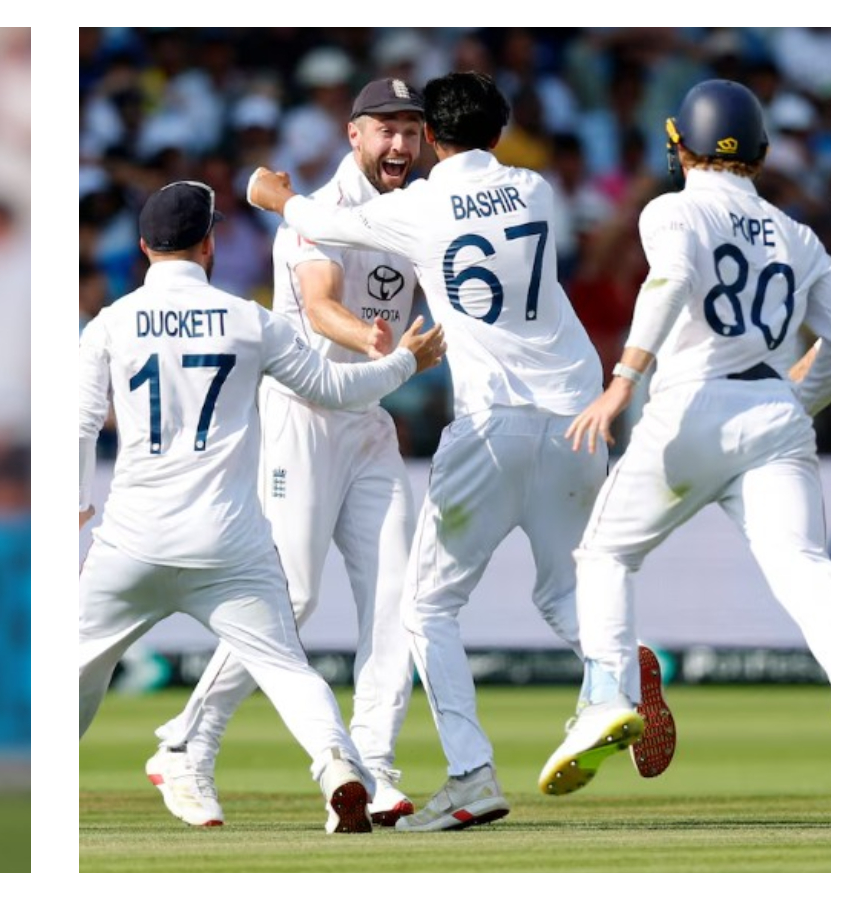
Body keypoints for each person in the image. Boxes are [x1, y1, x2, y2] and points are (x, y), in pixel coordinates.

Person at [246, 70, 671, 832]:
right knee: (566, 587)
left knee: (427, 606)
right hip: (577, 416)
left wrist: (275, 198)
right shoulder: (538, 190)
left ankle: (473, 775)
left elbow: (323, 223)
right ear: (501, 134)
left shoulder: (418, 205)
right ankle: (614, 678)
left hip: (491, 422)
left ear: (434, 140)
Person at [79, 180, 446, 834]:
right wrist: (402, 365)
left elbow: (78, 424)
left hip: (130, 540)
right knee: (286, 666)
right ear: (210, 244)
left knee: (71, 669)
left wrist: (73, 505)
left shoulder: (110, 323)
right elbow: (332, 388)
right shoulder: (250, 320)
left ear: (142, 248)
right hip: (227, 544)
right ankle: (338, 764)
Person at [146, 77, 427, 829]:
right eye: (386, 129)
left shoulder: (414, 211)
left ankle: (372, 767)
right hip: (302, 417)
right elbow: (323, 300)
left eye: (412, 130)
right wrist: (373, 342)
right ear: (354, 135)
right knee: (293, 597)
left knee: (398, 599)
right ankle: (187, 745)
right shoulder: (319, 215)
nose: (401, 143)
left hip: (368, 421)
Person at [539, 79, 833, 795]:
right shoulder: (798, 235)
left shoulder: (673, 210)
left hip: (690, 406)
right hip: (775, 417)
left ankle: (606, 701)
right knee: (806, 573)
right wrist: (793, 401)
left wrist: (623, 382)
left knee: (605, 553)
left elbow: (668, 283)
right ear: (759, 154)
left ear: (681, 146)